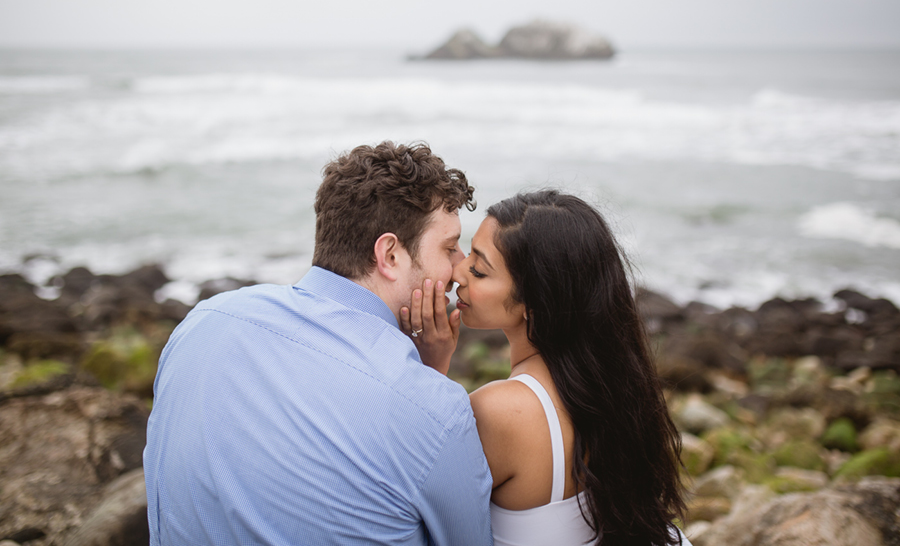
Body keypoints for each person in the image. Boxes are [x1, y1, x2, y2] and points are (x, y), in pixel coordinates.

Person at [143, 141, 494, 545]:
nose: (459, 266)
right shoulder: (435, 412)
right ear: (390, 255)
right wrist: (431, 379)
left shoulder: (203, 322)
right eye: (449, 247)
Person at [402, 190, 691, 546]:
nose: (458, 271)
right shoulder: (615, 390)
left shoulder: (502, 411)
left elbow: (414, 513)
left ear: (536, 303)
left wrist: (429, 370)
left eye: (479, 269)